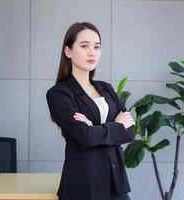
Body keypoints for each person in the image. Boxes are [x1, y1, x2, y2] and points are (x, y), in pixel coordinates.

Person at [46, 22, 136, 200]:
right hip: (83, 185)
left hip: (116, 183)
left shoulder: (106, 89)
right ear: (68, 51)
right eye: (84, 46)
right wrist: (117, 125)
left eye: (97, 47)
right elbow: (85, 137)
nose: (92, 52)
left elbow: (130, 132)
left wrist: (94, 129)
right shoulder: (59, 94)